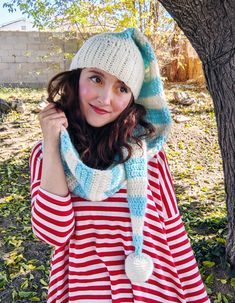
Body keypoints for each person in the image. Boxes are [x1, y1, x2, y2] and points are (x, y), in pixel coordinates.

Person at [30, 28, 210, 303]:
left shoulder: (149, 155)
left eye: (122, 88)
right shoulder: (47, 154)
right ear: (76, 78)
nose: (105, 98)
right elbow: (53, 232)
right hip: (86, 290)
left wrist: (197, 297)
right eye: (96, 78)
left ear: (131, 99)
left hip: (152, 287)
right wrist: (52, 143)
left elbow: (172, 230)